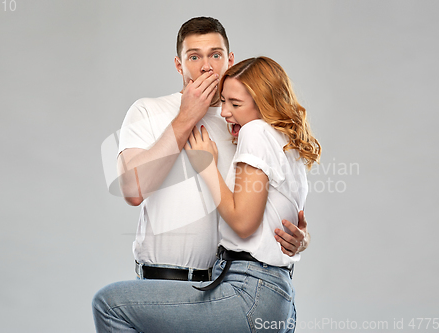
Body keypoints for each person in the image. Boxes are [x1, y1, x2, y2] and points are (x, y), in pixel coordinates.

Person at [92, 56, 321, 333]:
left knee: (109, 304)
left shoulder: (255, 132)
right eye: (223, 101)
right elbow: (284, 220)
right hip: (279, 299)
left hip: (249, 292)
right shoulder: (288, 143)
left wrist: (207, 166)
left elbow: (244, 224)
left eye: (235, 104)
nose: (224, 112)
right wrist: (303, 240)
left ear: (263, 102)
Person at [113, 16, 308, 282]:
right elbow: (132, 191)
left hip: (229, 284)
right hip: (163, 280)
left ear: (230, 61)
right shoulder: (146, 110)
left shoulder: (245, 124)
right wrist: (187, 116)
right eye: (194, 57)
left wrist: (299, 239)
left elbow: (270, 202)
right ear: (178, 65)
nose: (206, 67)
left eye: (215, 55)